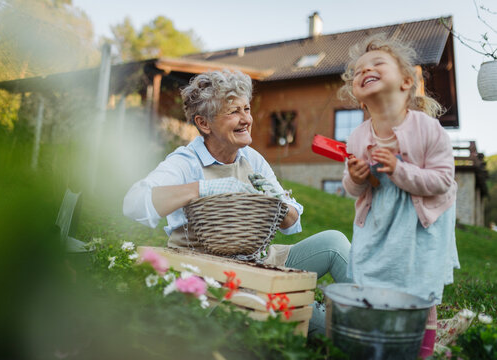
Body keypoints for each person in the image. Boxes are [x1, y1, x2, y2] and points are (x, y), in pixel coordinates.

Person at [123, 69, 351, 336]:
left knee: (334, 242)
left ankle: (380, 313)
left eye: (247, 109)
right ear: (204, 123)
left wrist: (279, 201)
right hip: (214, 274)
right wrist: (202, 188)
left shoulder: (251, 158)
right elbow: (133, 204)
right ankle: (365, 334)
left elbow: (292, 222)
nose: (246, 119)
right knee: (322, 323)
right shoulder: (185, 162)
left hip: (260, 262)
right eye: (234, 112)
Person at [339, 34, 460, 358]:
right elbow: (352, 190)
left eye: (377, 64)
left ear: (407, 82)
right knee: (374, 287)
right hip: (379, 222)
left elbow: (443, 181)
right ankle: (382, 347)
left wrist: (399, 170)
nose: (365, 70)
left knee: (420, 294)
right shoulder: (357, 137)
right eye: (358, 71)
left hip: (422, 226)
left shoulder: (428, 129)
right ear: (358, 95)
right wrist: (355, 179)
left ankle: (420, 352)